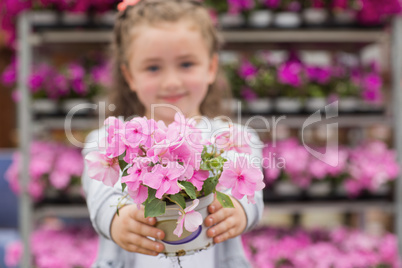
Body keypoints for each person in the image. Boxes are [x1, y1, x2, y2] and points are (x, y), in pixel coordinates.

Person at [81, 0, 264, 267]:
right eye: (153, 68)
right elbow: (100, 196)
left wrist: (239, 213)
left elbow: (251, 195)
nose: (171, 82)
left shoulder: (234, 137)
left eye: (186, 64)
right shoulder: (108, 138)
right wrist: (117, 221)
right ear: (129, 75)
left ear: (211, 67)